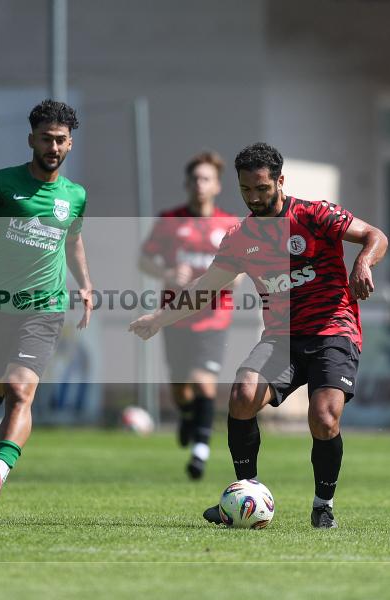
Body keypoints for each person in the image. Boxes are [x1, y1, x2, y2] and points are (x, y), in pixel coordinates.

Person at [130, 143, 388, 529]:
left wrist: (363, 262)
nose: (253, 198)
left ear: (281, 182)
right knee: (242, 395)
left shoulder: (315, 214)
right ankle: (243, 495)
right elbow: (205, 288)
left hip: (333, 330)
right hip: (281, 338)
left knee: (323, 417)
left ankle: (323, 505)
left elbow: (374, 235)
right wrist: (160, 318)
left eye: (262, 189)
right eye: (246, 190)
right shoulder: (240, 237)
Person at [0, 99, 92, 502]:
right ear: (31, 140)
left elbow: (73, 239)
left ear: (70, 144)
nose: (53, 147)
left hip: (44, 309)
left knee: (20, 390)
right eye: (46, 139)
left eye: (61, 140)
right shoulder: (1, 184)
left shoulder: (75, 195)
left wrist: (85, 284)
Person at [138, 151, 239, 480]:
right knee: (181, 388)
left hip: (213, 316)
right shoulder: (170, 220)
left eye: (206, 179)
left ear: (217, 186)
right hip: (175, 316)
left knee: (203, 380)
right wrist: (168, 273)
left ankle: (200, 451)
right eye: (195, 178)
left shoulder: (229, 225)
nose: (200, 184)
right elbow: (144, 260)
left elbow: (239, 274)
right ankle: (186, 414)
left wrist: (217, 280)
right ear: (186, 183)